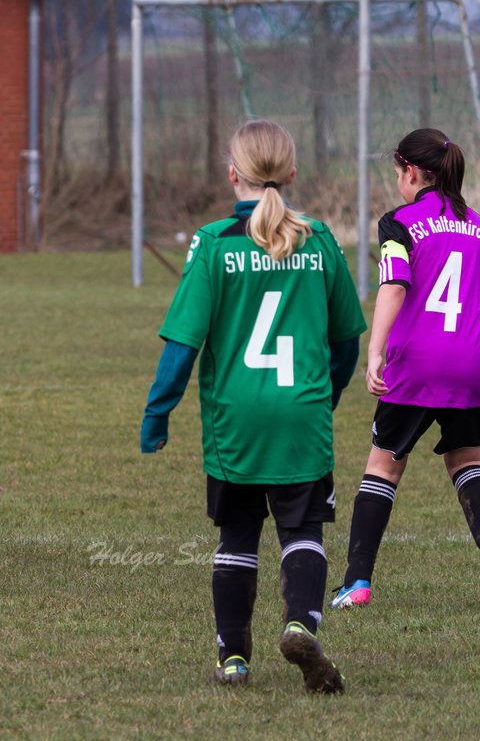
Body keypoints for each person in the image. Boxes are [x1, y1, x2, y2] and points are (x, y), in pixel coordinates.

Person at [141, 120, 365, 693]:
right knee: (304, 530)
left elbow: (183, 344)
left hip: (234, 420)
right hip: (301, 415)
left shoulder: (214, 243)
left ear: (232, 173)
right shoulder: (319, 240)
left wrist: (157, 413)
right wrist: (326, 395)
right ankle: (299, 623)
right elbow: (346, 343)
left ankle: (234, 659)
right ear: (291, 173)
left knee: (238, 536)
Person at [331, 129, 480, 610]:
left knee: (383, 467)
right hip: (469, 368)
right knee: (469, 464)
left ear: (412, 173)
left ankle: (356, 585)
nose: (398, 182)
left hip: (414, 367)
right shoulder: (477, 225)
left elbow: (393, 285)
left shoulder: (398, 223)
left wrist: (375, 354)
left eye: (398, 174)